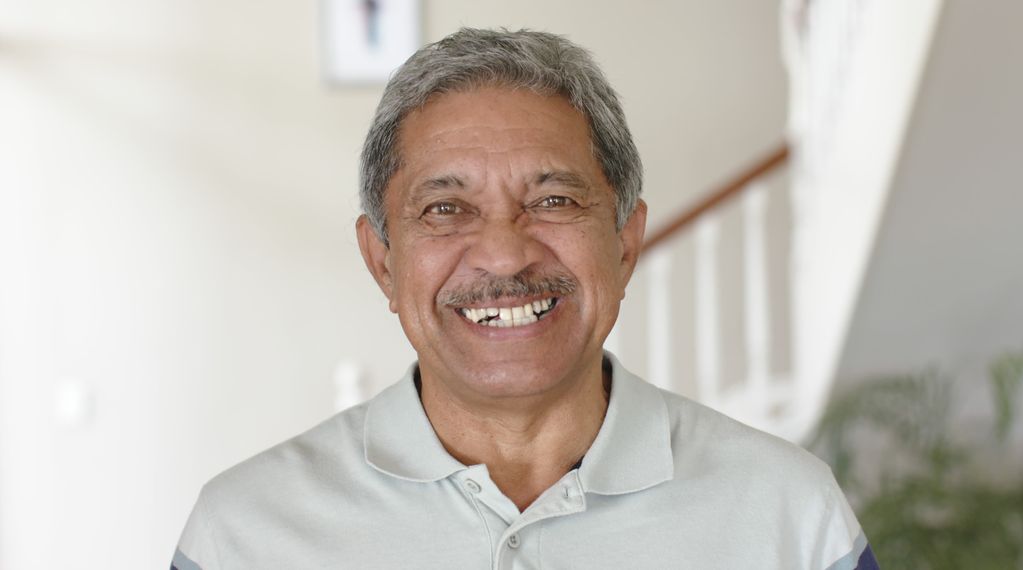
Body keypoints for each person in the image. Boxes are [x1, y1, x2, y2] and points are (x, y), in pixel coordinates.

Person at [172, 28, 877, 570]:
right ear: (382, 261)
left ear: (625, 244)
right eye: (446, 209)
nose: (506, 253)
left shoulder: (789, 514)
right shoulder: (244, 535)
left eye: (554, 199)